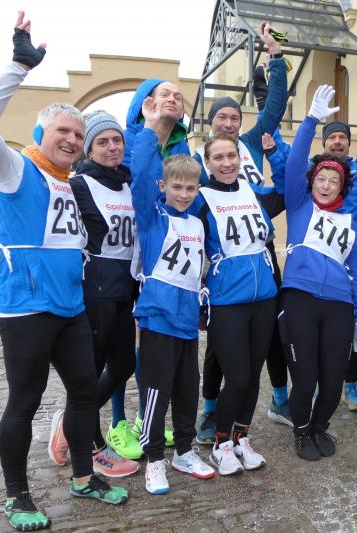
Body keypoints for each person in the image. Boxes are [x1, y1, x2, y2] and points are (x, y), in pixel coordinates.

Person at [0, 12, 127, 531]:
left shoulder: (68, 182)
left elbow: (60, 238)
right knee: (24, 403)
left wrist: (4, 247)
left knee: (84, 393)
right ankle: (18, 496)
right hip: (25, 308)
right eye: (63, 131)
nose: (72, 139)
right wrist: (18, 66)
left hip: (69, 306)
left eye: (78, 133)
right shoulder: (16, 167)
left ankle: (83, 477)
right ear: (42, 133)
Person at [193, 22, 293, 440]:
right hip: (223, 258)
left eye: (235, 116)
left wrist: (275, 55)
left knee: (269, 329)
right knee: (221, 342)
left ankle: (278, 400)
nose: (230, 122)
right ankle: (210, 410)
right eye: (222, 117)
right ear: (212, 122)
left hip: (261, 249)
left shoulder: (251, 142)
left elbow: (276, 105)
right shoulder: (200, 158)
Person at [42, 111, 139, 478]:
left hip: (125, 288)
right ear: (90, 149)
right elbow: (50, 223)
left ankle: (69, 424)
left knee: (124, 366)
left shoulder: (127, 184)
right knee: (90, 373)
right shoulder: (78, 184)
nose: (112, 147)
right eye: (102, 141)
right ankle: (92, 446)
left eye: (117, 140)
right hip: (95, 288)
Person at [130, 98, 217, 494]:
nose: (183, 194)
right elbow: (142, 173)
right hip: (157, 318)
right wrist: (151, 131)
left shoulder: (196, 223)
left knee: (186, 390)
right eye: (176, 187)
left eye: (190, 188)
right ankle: (154, 459)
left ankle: (184, 450)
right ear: (163, 187)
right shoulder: (152, 217)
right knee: (156, 391)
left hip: (186, 322)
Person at [278, 86, 357, 460]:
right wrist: (311, 121)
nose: (327, 185)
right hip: (300, 298)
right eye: (321, 179)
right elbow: (295, 161)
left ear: (342, 186)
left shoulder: (350, 223)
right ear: (312, 181)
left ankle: (319, 426)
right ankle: (301, 431)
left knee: (332, 384)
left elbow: (355, 273)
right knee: (306, 381)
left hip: (339, 306)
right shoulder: (299, 205)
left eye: (334, 181)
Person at [108, 74, 192, 456]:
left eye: (178, 95)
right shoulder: (126, 143)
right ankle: (116, 422)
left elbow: (192, 198)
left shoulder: (182, 149)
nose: (172, 99)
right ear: (147, 102)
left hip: (159, 260)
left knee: (149, 346)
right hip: (119, 259)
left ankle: (146, 417)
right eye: (164, 94)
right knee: (119, 349)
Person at [190, 133, 284, 475]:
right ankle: (221, 444)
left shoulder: (252, 191)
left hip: (264, 298)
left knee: (254, 374)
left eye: (231, 155)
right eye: (218, 157)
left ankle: (242, 438)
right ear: (207, 163)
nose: (227, 162)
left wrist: (275, 154)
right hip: (227, 299)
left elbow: (285, 189)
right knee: (239, 376)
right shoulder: (200, 199)